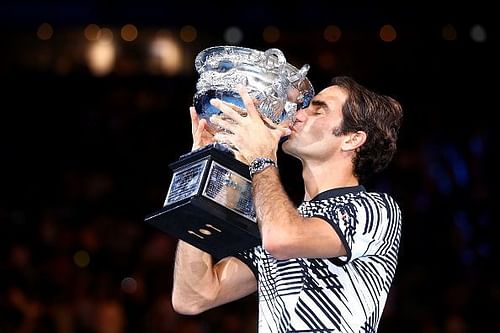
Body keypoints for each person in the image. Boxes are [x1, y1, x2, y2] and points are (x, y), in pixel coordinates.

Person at [172, 76, 403, 332]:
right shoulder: (278, 218)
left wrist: (262, 156)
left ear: (352, 139)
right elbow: (192, 297)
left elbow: (281, 239)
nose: (299, 114)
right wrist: (205, 166)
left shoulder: (375, 209)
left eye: (318, 110)